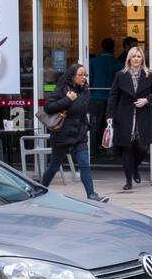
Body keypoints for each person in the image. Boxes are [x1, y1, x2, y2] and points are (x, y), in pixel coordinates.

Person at [39, 63, 107, 202]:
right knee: (54, 166)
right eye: (80, 75)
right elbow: (48, 107)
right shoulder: (62, 89)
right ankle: (40, 189)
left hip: (79, 134)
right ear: (72, 76)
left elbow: (83, 108)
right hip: (62, 135)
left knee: (84, 164)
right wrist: (67, 100)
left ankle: (92, 195)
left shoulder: (85, 90)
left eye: (85, 75)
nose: (83, 78)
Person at [108, 46, 152, 190]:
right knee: (127, 148)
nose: (136, 59)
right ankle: (128, 180)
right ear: (129, 58)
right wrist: (110, 115)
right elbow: (113, 96)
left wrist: (146, 100)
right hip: (125, 114)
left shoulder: (149, 74)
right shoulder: (120, 75)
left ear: (142, 58)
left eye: (139, 56)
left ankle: (135, 167)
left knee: (143, 147)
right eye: (134, 56)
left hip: (143, 114)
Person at [87, 37, 119, 153]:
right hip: (112, 99)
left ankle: (92, 151)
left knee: (94, 126)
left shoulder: (93, 62)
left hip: (95, 98)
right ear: (113, 48)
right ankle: (110, 151)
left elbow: (89, 80)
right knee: (111, 125)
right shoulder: (117, 63)